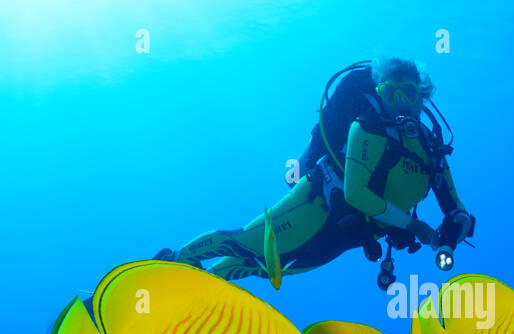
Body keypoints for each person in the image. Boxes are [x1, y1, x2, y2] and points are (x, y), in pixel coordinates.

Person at [164, 57, 476, 288]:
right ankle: (173, 261)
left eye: (408, 94)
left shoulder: (433, 152)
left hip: (354, 232)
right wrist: (413, 225)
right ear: (379, 93)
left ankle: (204, 286)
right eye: (390, 94)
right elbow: (355, 192)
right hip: (318, 203)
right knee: (248, 242)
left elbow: (456, 208)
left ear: (422, 97)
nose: (399, 104)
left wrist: (451, 235)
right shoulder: (368, 126)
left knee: (271, 267)